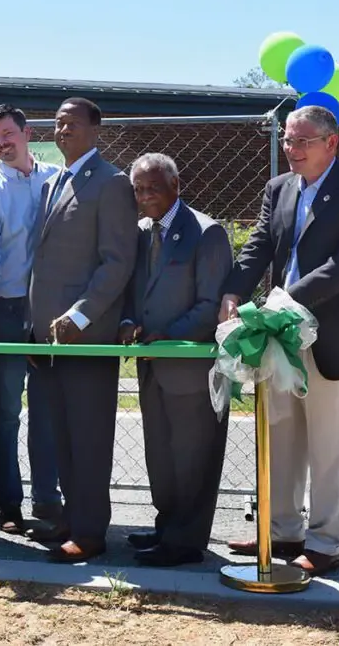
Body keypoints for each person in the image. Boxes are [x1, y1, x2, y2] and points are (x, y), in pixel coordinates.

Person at [221, 105, 339, 577]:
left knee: (330, 445)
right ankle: (281, 531)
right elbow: (258, 246)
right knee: (280, 435)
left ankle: (326, 543)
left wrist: (284, 299)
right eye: (288, 141)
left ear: (331, 143)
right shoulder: (278, 188)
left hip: (333, 337)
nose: (291, 150)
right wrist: (234, 289)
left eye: (302, 141)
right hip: (278, 337)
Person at [26, 97, 137, 563]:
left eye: (72, 123)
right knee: (61, 434)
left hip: (85, 338)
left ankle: (90, 531)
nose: (63, 129)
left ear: (96, 129)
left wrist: (81, 316)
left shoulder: (111, 183)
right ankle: (71, 518)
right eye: (57, 123)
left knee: (88, 436)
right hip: (47, 339)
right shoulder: (56, 181)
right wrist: (35, 328)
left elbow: (117, 262)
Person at [117, 153, 232, 567]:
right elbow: (134, 292)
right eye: (139, 189)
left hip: (190, 367)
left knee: (191, 456)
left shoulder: (206, 232)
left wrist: (171, 334)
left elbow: (211, 304)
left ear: (176, 186)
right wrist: (130, 321)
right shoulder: (141, 232)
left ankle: (186, 542)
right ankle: (167, 526)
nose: (145, 196)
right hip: (152, 366)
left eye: (154, 188)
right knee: (162, 456)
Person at [0, 104, 61, 535]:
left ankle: (48, 498)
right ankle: (10, 505)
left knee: (49, 408)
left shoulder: (56, 178)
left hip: (52, 311)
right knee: (6, 413)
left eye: (8, 134)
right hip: (6, 309)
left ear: (26, 133)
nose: (2, 144)